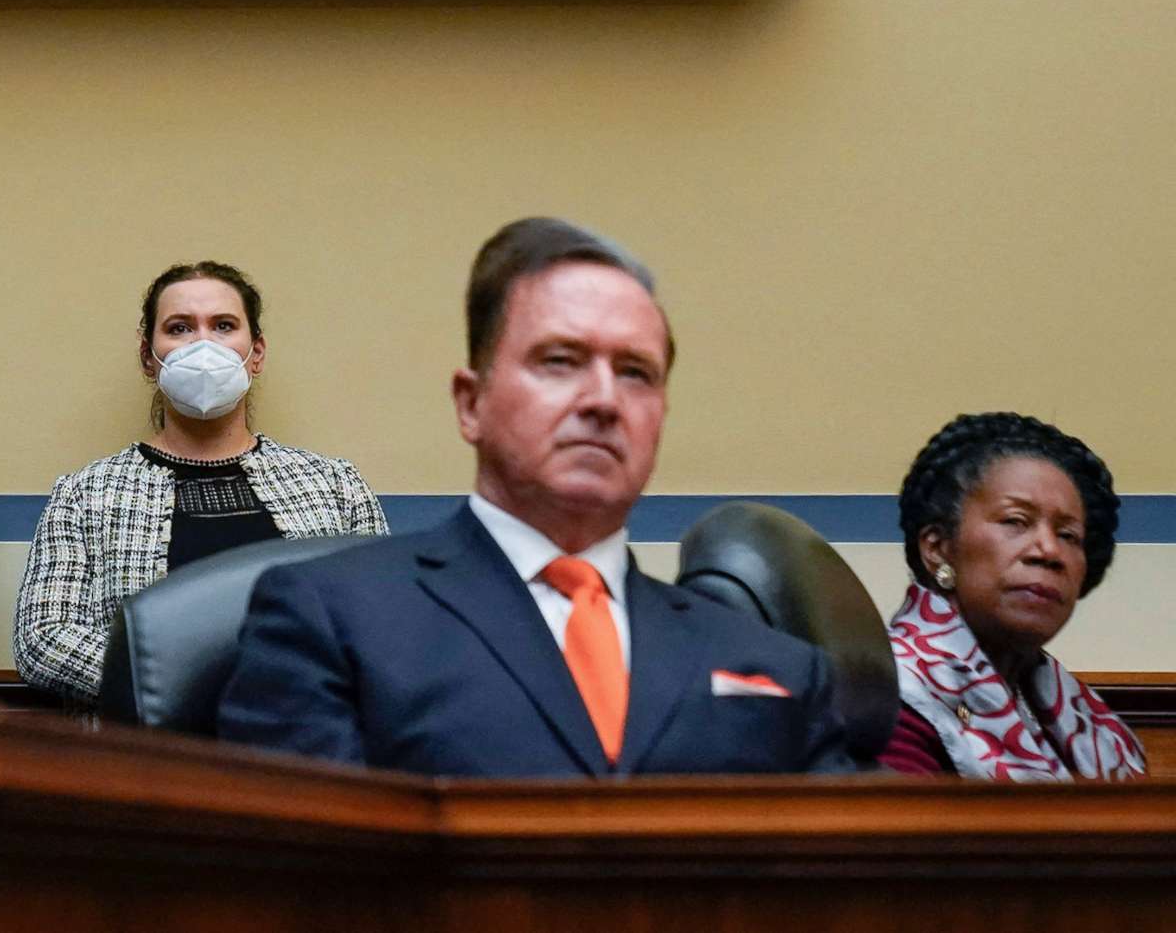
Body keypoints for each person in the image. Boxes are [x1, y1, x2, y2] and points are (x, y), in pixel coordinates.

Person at [218, 217, 852, 775]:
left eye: (635, 373)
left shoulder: (779, 667)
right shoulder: (331, 618)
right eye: (560, 360)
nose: (604, 401)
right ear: (471, 404)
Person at [12, 259, 385, 703]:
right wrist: (179, 682)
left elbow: (384, 622)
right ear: (148, 357)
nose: (203, 345)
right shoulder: (85, 494)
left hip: (300, 750)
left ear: (257, 353)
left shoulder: (334, 486)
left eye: (224, 325)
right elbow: (42, 639)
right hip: (144, 761)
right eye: (180, 328)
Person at [882, 412, 1146, 780]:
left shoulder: (1079, 716)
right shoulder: (888, 696)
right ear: (938, 548)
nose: (1048, 551)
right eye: (1015, 521)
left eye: (1069, 536)